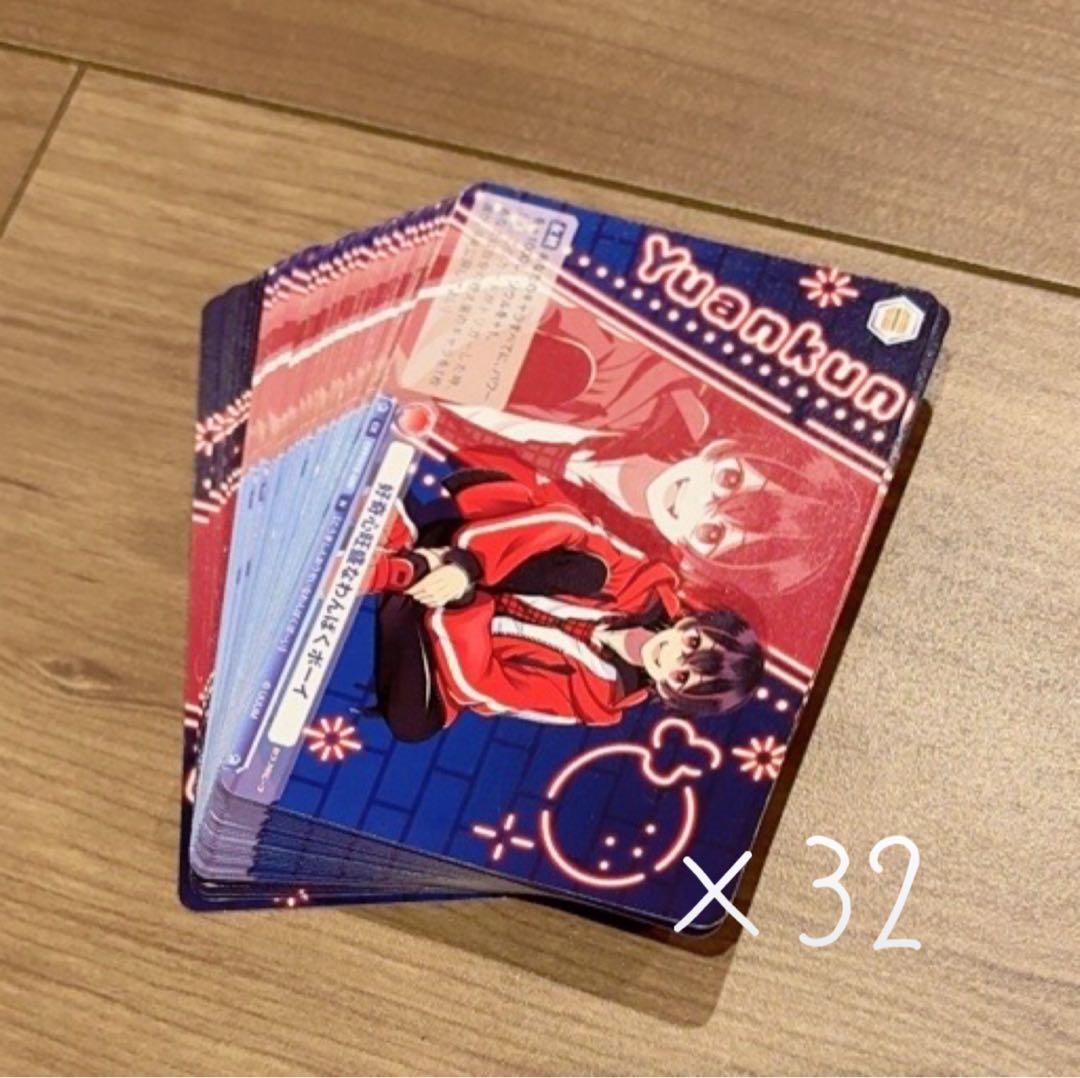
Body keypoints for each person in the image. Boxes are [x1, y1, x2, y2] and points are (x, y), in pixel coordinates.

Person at [364, 466, 763, 742]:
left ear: (674, 696)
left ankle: (403, 574)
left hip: (449, 637)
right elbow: (568, 526)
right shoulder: (645, 589)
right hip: (477, 554)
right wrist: (470, 567)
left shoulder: (601, 697)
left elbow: (486, 686)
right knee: (590, 571)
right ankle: (407, 564)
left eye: (682, 676)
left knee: (414, 722)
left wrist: (462, 604)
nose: (672, 656)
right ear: (694, 622)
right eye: (692, 643)